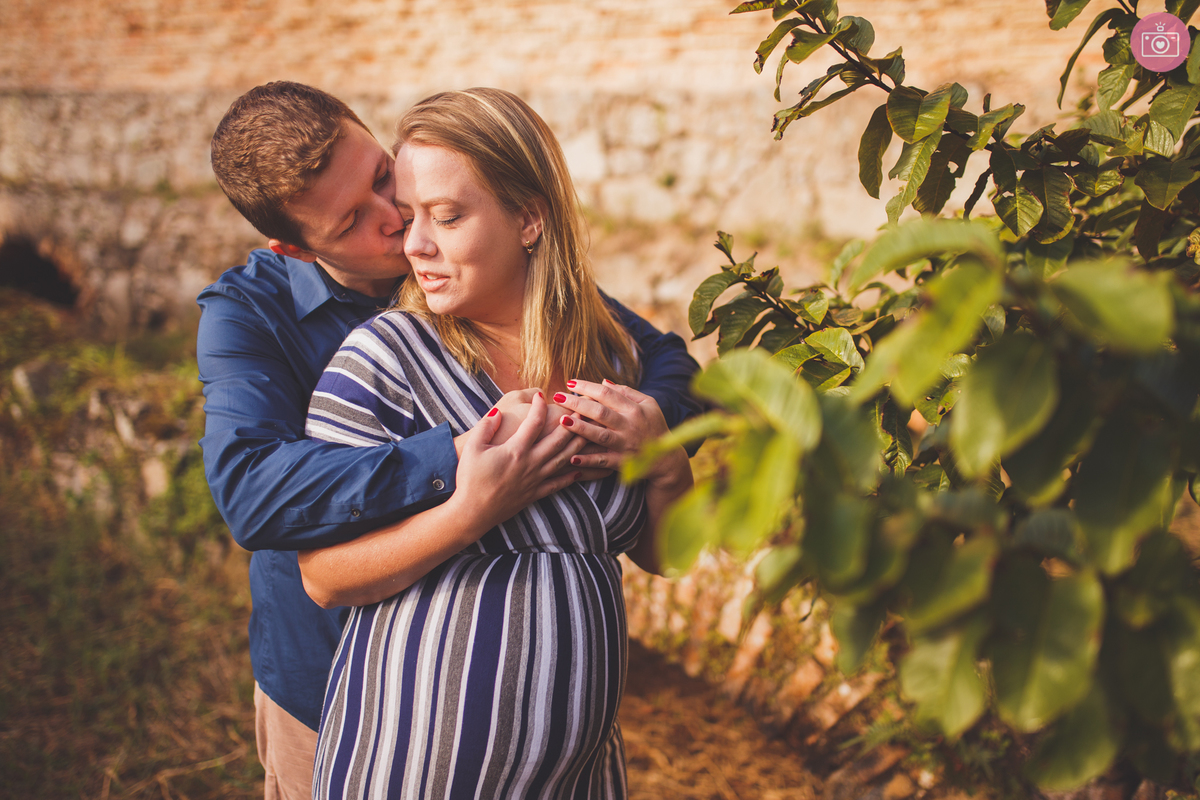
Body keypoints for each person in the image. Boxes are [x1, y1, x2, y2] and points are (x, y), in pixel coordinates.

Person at [198, 81, 702, 800]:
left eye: (384, 181)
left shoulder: (572, 331)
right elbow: (255, 495)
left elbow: (669, 364)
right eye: (354, 220)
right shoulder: (265, 321)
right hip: (339, 693)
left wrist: (654, 444)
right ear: (299, 249)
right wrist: (458, 464)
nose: (399, 225)